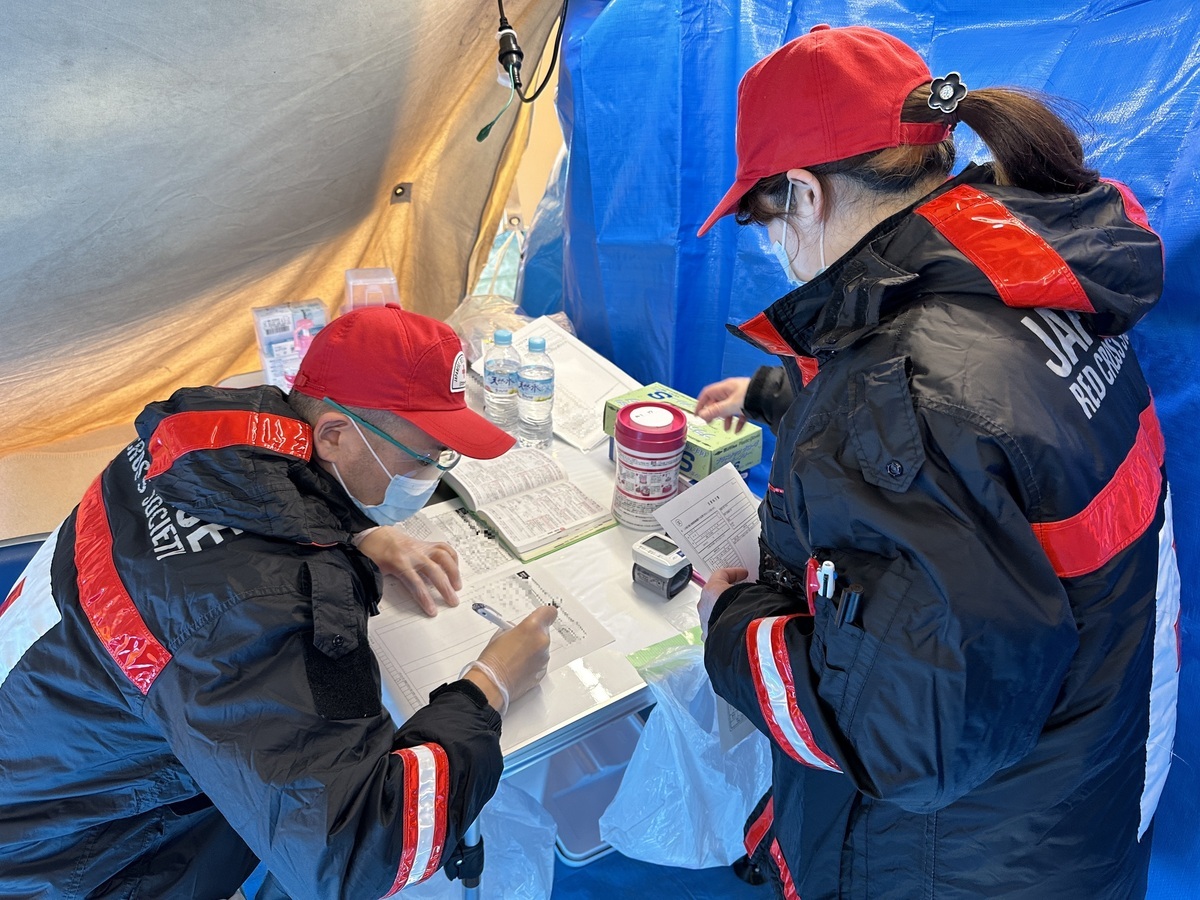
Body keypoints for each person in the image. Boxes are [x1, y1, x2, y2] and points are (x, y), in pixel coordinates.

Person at [693, 24, 1179, 900]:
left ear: (802, 193)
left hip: (955, 865)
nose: (774, 247)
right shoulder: (1035, 275)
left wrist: (734, 623)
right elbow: (994, 444)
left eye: (765, 219)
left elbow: (899, 739)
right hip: (1079, 806)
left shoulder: (903, 393)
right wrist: (785, 396)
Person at [0, 303, 557, 898]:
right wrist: (488, 686)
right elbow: (356, 850)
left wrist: (355, 530)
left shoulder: (193, 448)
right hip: (71, 866)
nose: (433, 473)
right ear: (336, 436)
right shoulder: (257, 612)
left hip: (40, 752)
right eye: (425, 457)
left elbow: (233, 527)